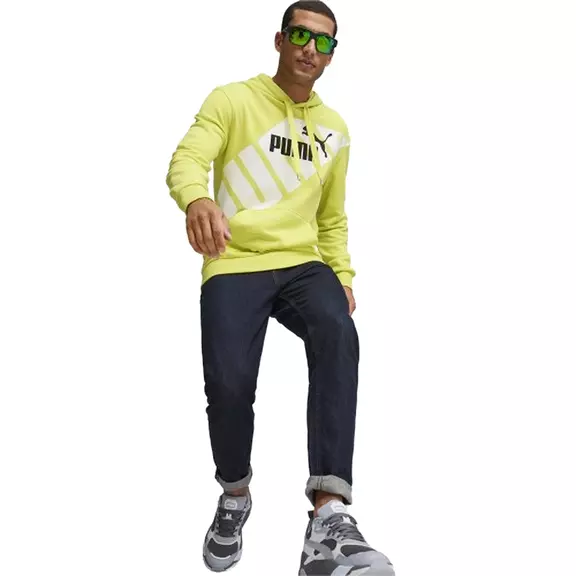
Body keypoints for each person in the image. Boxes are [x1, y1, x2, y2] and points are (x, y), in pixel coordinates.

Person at [166, 2, 395, 574]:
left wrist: (342, 275)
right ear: (279, 39)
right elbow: (188, 157)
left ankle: (328, 516)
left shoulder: (335, 129)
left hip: (301, 263)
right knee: (228, 384)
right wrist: (197, 198)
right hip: (234, 259)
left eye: (324, 42)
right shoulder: (232, 99)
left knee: (338, 331)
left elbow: (332, 217)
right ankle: (234, 492)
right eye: (300, 36)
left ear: (332, 54)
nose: (310, 50)